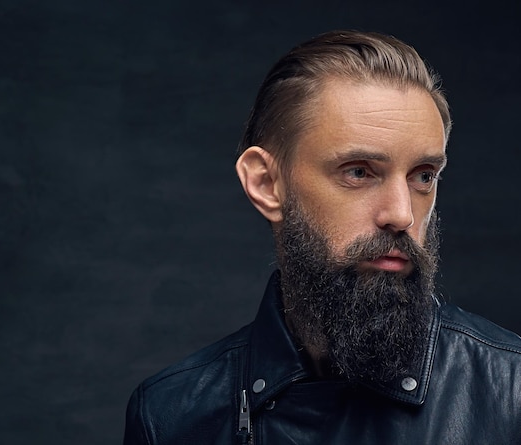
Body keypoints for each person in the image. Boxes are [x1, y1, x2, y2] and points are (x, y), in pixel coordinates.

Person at [123, 30, 521, 444]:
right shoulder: (171, 416)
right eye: (359, 172)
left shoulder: (511, 392)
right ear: (267, 183)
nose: (402, 214)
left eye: (423, 176)